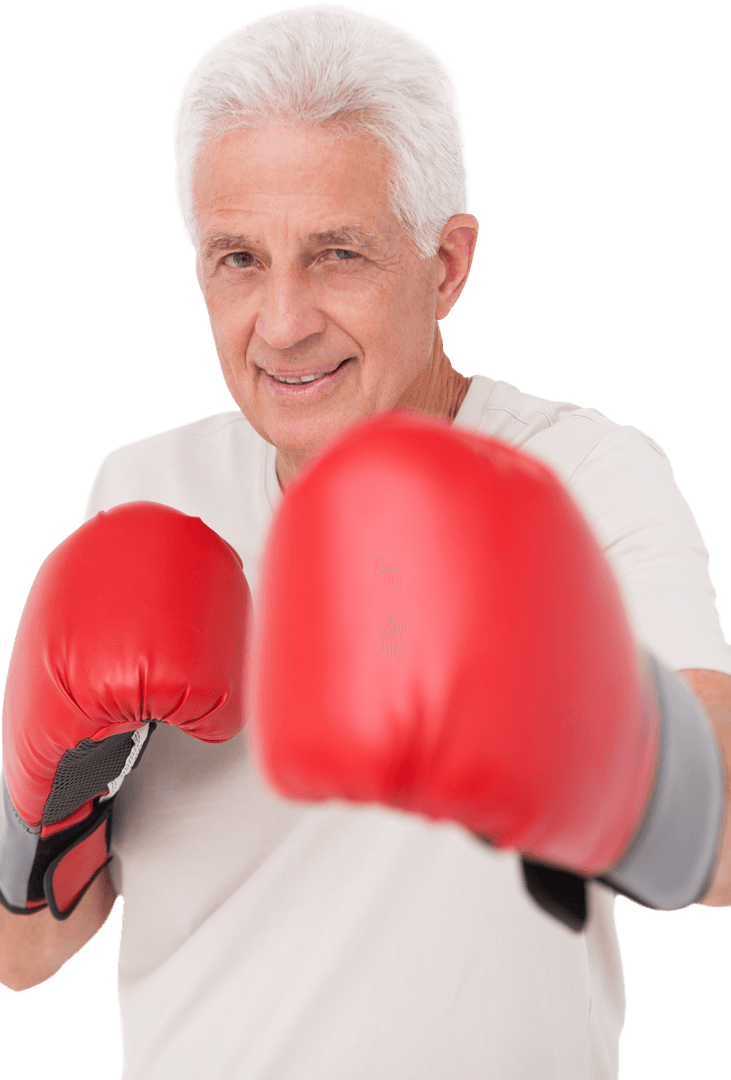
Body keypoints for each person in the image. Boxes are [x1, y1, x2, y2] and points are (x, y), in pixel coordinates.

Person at [1, 5, 730, 1077]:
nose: (282, 322)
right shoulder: (148, 487)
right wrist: (44, 802)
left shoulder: (584, 474)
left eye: (335, 254)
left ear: (444, 265)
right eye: (237, 259)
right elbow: (25, 953)